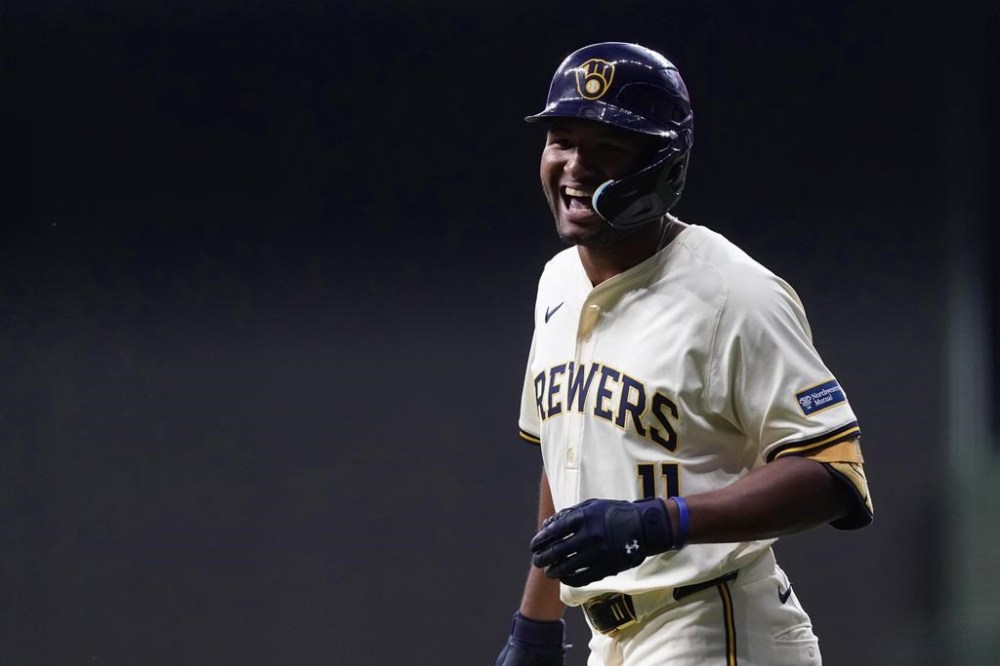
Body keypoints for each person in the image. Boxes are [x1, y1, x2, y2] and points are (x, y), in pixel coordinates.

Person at [495, 42, 873, 666]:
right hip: (610, 638)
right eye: (562, 140)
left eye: (607, 149)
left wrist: (659, 521)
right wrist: (535, 626)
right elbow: (569, 459)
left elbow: (834, 472)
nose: (575, 167)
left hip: (715, 625)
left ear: (661, 166)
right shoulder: (558, 282)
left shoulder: (735, 292)